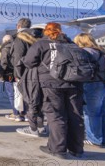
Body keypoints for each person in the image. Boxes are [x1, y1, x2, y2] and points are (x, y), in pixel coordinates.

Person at [22, 22, 85, 158]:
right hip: (74, 84)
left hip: (51, 84)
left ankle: (57, 149)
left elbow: (28, 62)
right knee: (76, 116)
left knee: (56, 116)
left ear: (46, 31)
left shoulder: (41, 44)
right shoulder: (71, 44)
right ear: (60, 30)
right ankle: (76, 149)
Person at [74, 33, 105, 147]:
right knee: (103, 113)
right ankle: (104, 139)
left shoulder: (86, 52)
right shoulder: (103, 52)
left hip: (92, 85)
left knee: (91, 113)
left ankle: (94, 139)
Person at [10, 18, 39, 122]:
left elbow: (19, 57)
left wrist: (18, 74)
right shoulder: (38, 35)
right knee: (34, 94)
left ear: (18, 26)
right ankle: (34, 117)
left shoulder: (20, 38)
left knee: (22, 94)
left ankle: (24, 116)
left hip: (24, 72)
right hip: (37, 71)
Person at [0, 35, 16, 119]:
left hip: (8, 74)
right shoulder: (17, 47)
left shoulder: (5, 49)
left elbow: (3, 63)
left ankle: (16, 113)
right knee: (19, 94)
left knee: (11, 94)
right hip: (17, 73)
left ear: (4, 41)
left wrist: (1, 74)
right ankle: (22, 112)